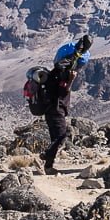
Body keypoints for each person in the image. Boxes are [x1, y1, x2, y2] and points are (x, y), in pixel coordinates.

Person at [42, 34, 91, 174]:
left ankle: (48, 166)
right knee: (61, 135)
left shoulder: (54, 72)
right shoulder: (62, 74)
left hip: (51, 108)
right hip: (57, 108)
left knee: (55, 136)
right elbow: (63, 90)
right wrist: (70, 80)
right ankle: (45, 157)